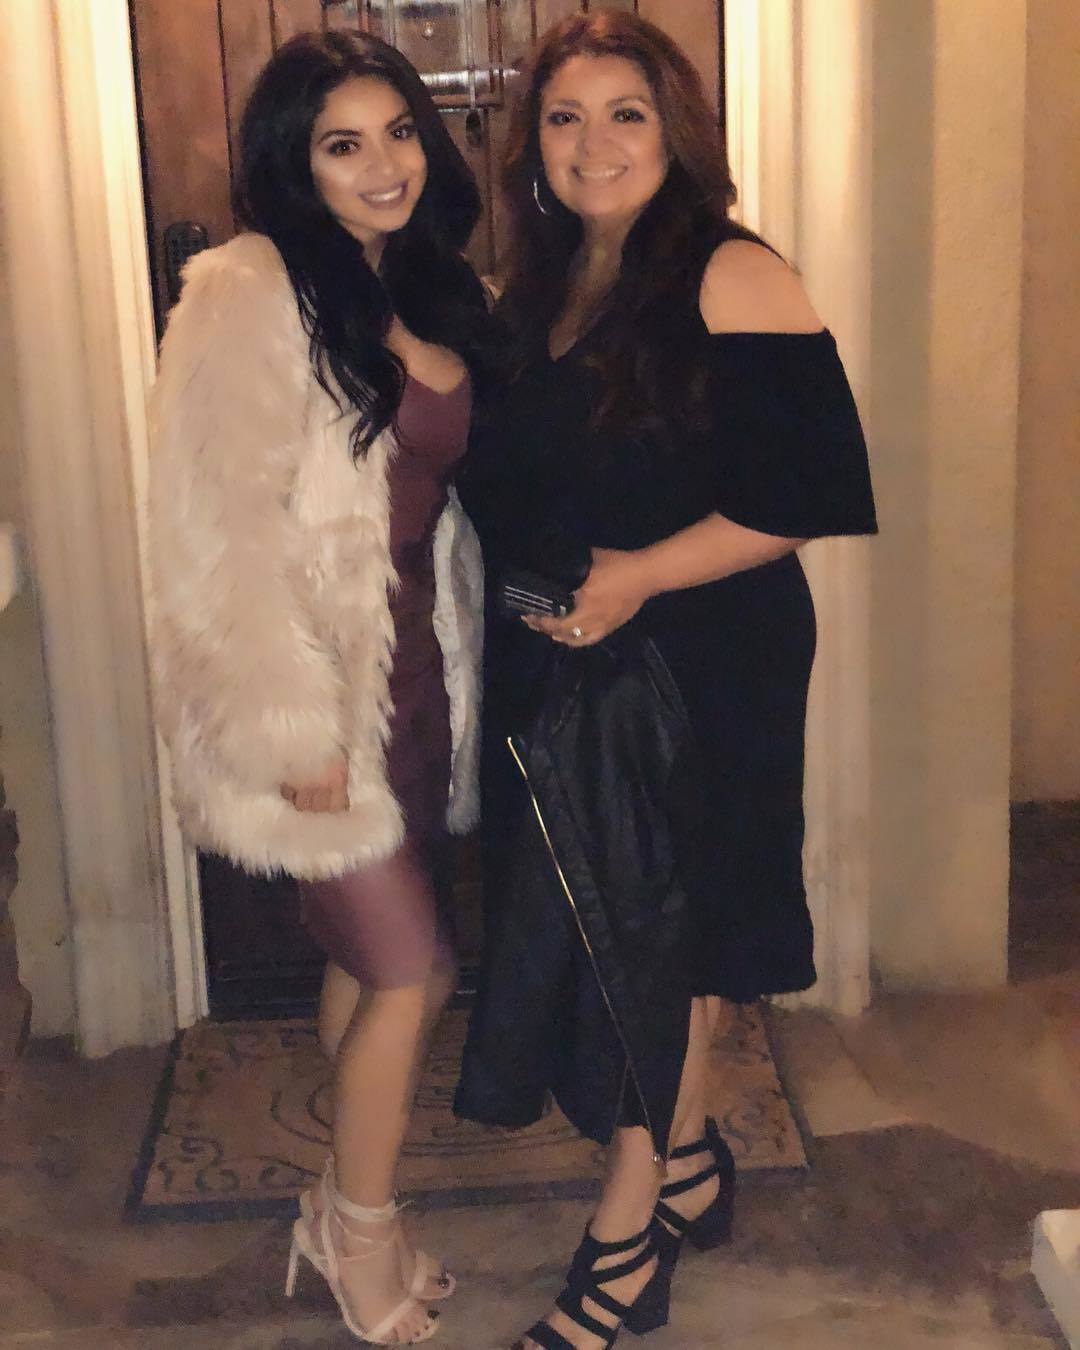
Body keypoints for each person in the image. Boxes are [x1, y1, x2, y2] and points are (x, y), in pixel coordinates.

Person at [455, 12, 877, 1350]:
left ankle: (628, 1242)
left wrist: (635, 576)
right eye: (565, 117)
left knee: (666, 940)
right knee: (609, 924)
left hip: (705, 662)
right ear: (532, 144)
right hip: (578, 658)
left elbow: (807, 492)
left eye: (625, 113)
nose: (594, 143)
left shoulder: (733, 272)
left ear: (675, 130)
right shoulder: (547, 282)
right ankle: (690, 1162)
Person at [149, 32, 494, 1346]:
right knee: (414, 969)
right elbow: (213, 533)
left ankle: (342, 1197)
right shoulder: (245, 290)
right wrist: (290, 730)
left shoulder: (424, 281)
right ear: (293, 164)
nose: (384, 163)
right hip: (307, 697)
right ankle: (354, 1230)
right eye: (342, 143)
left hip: (415, 677)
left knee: (366, 956)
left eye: (399, 131)